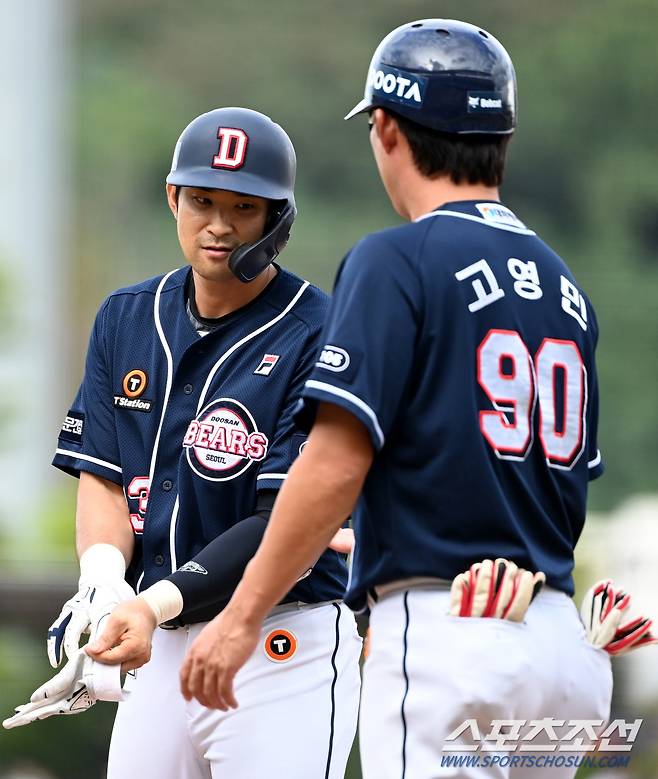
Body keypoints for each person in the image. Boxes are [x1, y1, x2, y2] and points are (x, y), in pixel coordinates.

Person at [177, 21, 614, 779]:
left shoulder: (396, 257)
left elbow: (336, 461)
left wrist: (242, 616)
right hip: (562, 655)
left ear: (385, 127)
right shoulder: (565, 284)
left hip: (451, 639)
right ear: (501, 136)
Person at [42, 107, 362, 779]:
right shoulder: (127, 315)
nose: (218, 224)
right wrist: (101, 583)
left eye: (244, 207)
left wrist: (147, 603)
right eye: (202, 200)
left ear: (279, 218)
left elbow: (286, 521)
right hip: (159, 644)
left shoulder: (319, 330)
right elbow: (101, 471)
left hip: (282, 645)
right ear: (173, 197)